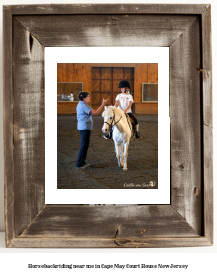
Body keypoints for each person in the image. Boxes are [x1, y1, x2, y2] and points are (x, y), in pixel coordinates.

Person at [75, 92, 108, 169]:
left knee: (85, 145)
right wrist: (103, 104)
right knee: (83, 145)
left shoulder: (80, 104)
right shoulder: (83, 105)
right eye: (88, 96)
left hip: (83, 126)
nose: (89, 98)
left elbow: (80, 115)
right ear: (84, 98)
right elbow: (96, 112)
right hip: (84, 127)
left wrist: (89, 119)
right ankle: (79, 164)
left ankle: (82, 162)